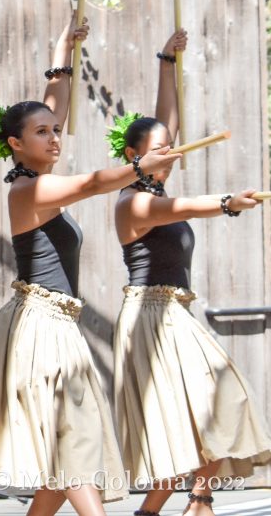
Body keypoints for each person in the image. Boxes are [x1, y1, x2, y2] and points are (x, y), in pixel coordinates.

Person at [0, 18, 180, 516]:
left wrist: (64, 50)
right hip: (41, 327)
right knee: (72, 443)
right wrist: (144, 165)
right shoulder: (29, 190)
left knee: (63, 457)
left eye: (57, 131)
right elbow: (95, 183)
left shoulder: (37, 176)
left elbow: (52, 103)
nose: (55, 138)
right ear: (15, 143)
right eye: (42, 133)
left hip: (57, 324)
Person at [109, 29, 271, 516]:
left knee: (213, 406)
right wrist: (226, 203)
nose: (171, 153)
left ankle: (187, 502)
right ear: (132, 157)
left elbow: (165, 125)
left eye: (172, 148)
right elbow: (187, 206)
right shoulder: (134, 201)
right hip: (150, 317)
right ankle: (187, 503)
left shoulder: (154, 188)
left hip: (175, 313)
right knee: (181, 419)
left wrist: (165, 62)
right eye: (158, 149)